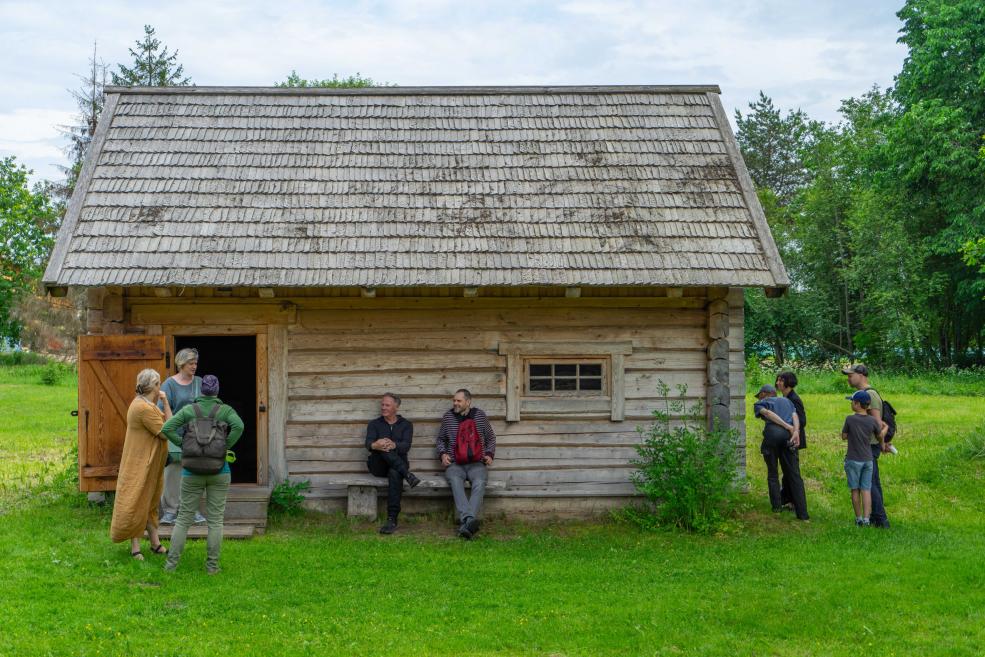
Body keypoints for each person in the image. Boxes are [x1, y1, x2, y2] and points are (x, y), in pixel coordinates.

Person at [160, 375, 244, 574]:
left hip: (191, 472)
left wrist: (184, 445)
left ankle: (171, 565)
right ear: (216, 392)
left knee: (183, 519)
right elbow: (239, 426)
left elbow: (167, 427)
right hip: (219, 470)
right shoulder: (225, 411)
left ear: (201, 392)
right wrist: (225, 446)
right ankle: (212, 567)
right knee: (215, 521)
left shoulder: (189, 410)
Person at [109, 368, 173, 560]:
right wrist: (166, 403)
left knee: (150, 503)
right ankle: (135, 547)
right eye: (158, 382)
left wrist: (163, 403)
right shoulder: (143, 408)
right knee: (137, 501)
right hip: (140, 464)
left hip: (150, 464)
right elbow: (166, 430)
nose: (160, 385)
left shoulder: (146, 405)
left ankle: (155, 543)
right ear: (153, 386)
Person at [436, 389, 496, 539]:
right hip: (455, 464)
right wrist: (443, 455)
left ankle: (466, 523)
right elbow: (440, 440)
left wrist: (489, 454)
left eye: (459, 401)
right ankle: (469, 521)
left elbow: (491, 437)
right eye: (454, 400)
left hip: (477, 463)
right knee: (455, 481)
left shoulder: (480, 416)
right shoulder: (448, 417)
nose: (455, 403)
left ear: (468, 402)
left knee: (480, 483)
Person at [159, 347, 206, 525]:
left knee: (194, 474)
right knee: (172, 474)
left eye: (195, 363)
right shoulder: (169, 384)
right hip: (174, 436)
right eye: (190, 363)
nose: (194, 366)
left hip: (196, 437)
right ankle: (170, 512)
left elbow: (208, 405)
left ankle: (192, 511)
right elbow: (161, 410)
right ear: (181, 364)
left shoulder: (200, 383)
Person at [843, 364, 891, 528]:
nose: (848, 378)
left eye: (851, 375)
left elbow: (878, 424)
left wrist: (882, 444)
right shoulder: (864, 394)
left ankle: (879, 519)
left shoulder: (870, 395)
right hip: (867, 446)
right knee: (870, 483)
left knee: (869, 484)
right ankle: (875, 517)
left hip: (869, 447)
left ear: (862, 375)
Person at [366, 392, 420, 535]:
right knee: (383, 445)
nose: (383, 407)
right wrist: (376, 445)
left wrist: (394, 445)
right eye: (382, 404)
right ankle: (408, 475)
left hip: (397, 467)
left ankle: (392, 519)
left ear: (396, 407)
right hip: (378, 466)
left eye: (387, 405)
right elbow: (367, 444)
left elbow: (406, 446)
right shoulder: (374, 424)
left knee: (395, 472)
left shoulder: (406, 425)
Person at [753, 384, 809, 521]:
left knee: (773, 473)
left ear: (764, 394)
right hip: (789, 438)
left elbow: (767, 413)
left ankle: (777, 507)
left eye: (759, 394)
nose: (759, 397)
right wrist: (795, 431)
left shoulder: (760, 403)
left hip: (772, 436)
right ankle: (803, 514)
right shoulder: (788, 401)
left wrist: (786, 426)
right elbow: (794, 416)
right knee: (794, 475)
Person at [775, 371, 806, 511]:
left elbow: (802, 420)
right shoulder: (785, 397)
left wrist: (791, 430)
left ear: (789, 382)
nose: (778, 383)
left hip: (793, 439)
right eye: (778, 380)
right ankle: (786, 499)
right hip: (787, 438)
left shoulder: (794, 399)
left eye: (781, 380)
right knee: (788, 471)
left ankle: (794, 501)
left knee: (792, 471)